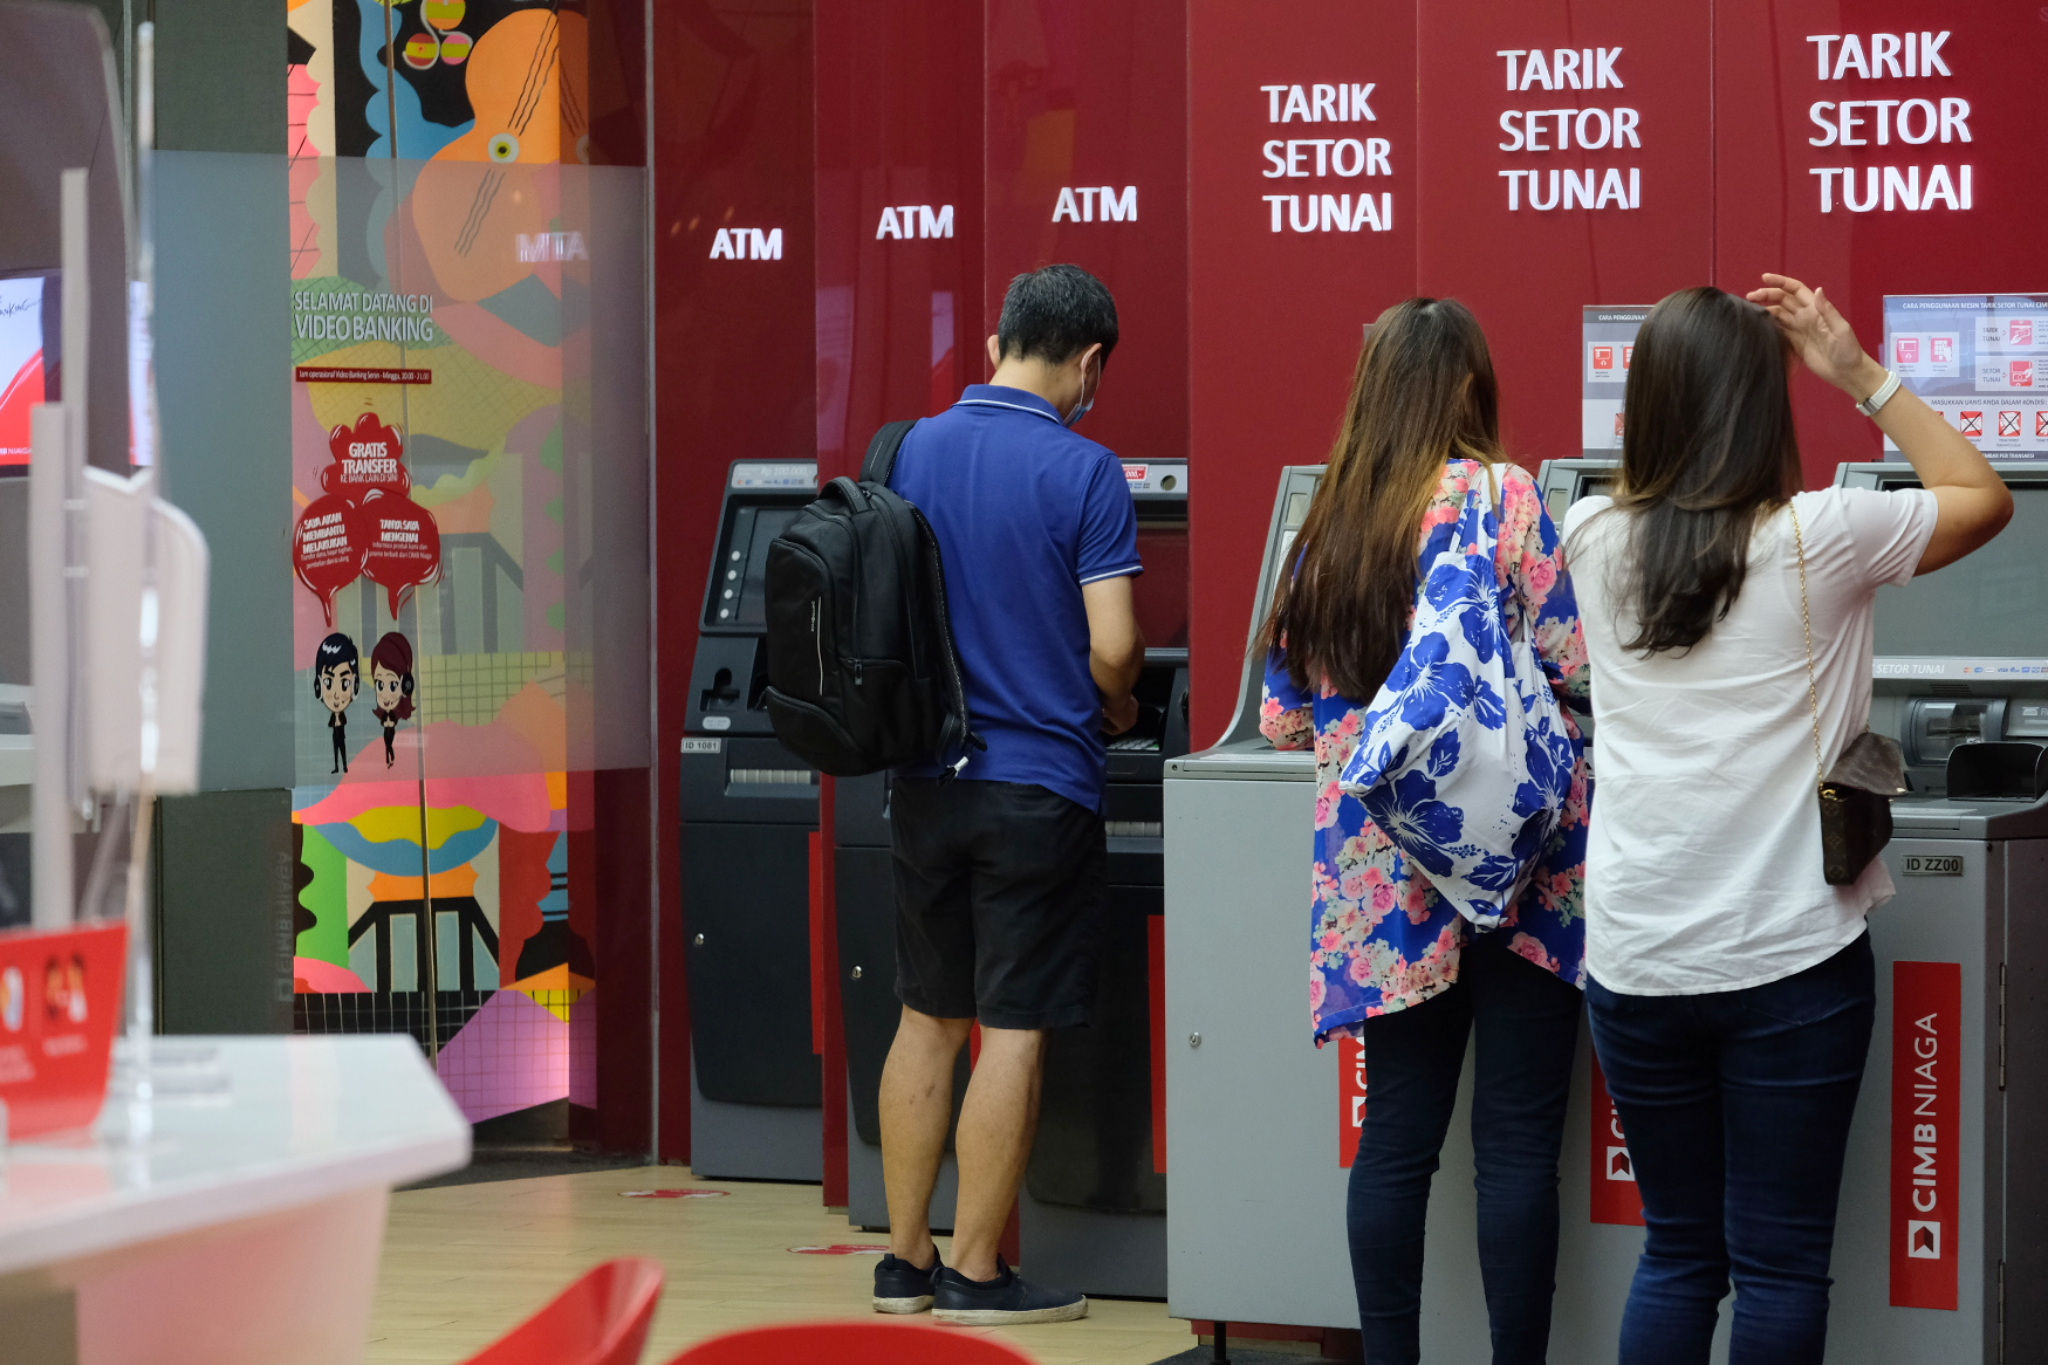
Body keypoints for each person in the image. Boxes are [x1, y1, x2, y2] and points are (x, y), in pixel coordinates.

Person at [1563, 277, 2013, 1365]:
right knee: (1775, 1266)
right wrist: (1857, 373)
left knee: (1676, 1254)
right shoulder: (1823, 535)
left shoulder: (1585, 533)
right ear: (1760, 406)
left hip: (1634, 963)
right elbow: (1980, 494)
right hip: (1787, 962)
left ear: (1648, 406)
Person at [1258, 298, 1592, 1365]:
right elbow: (1573, 664)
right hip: (1518, 861)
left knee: (1396, 1141)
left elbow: (1278, 717)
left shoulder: (1331, 522)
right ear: (1464, 390)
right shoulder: (1503, 495)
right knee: (1515, 1146)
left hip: (1383, 876)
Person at [869, 264, 1144, 1326]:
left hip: (926, 780)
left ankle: (903, 1262)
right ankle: (978, 1272)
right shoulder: (1085, 471)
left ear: (994, 343)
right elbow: (1115, 648)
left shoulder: (914, 450)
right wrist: (1108, 699)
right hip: (1038, 787)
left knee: (926, 1017)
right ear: (1086, 363)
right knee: (1011, 1026)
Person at [369, 632, 417, 769]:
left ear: (406, 685)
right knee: (388, 744)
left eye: (392, 685)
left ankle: (391, 759)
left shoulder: (412, 728)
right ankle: (390, 759)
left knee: (390, 745)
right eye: (380, 685)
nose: (385, 694)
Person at [314, 632, 360, 775]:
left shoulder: (344, 717)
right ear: (318, 686)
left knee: (343, 749)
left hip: (341, 735)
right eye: (328, 682)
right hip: (335, 736)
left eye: (345, 683)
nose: (335, 694)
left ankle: (345, 766)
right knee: (335, 750)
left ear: (355, 685)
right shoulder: (332, 718)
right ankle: (337, 766)